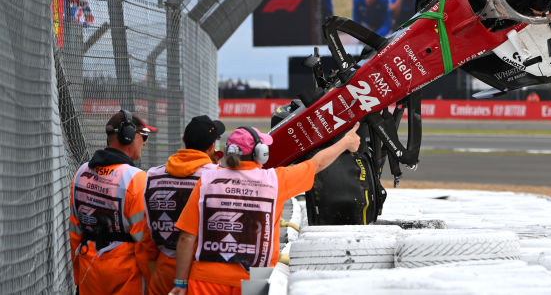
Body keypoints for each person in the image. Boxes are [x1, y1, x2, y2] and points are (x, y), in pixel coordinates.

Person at [170, 125, 361, 294]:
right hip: (255, 280)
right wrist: (346, 143)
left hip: (206, 279)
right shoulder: (275, 181)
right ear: (260, 153)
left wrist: (180, 282)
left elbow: (187, 237)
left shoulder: (207, 180)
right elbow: (317, 164)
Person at [68, 110, 158, 295]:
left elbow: (75, 233)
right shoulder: (136, 179)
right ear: (129, 136)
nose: (145, 142)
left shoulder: (81, 173)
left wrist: (79, 279)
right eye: (144, 136)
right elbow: (143, 244)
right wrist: (152, 285)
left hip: (89, 273)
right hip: (125, 279)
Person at [140, 115, 225, 295]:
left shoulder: (152, 175)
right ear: (211, 147)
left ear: (184, 141)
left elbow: (146, 236)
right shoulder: (219, 178)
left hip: (163, 268)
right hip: (203, 273)